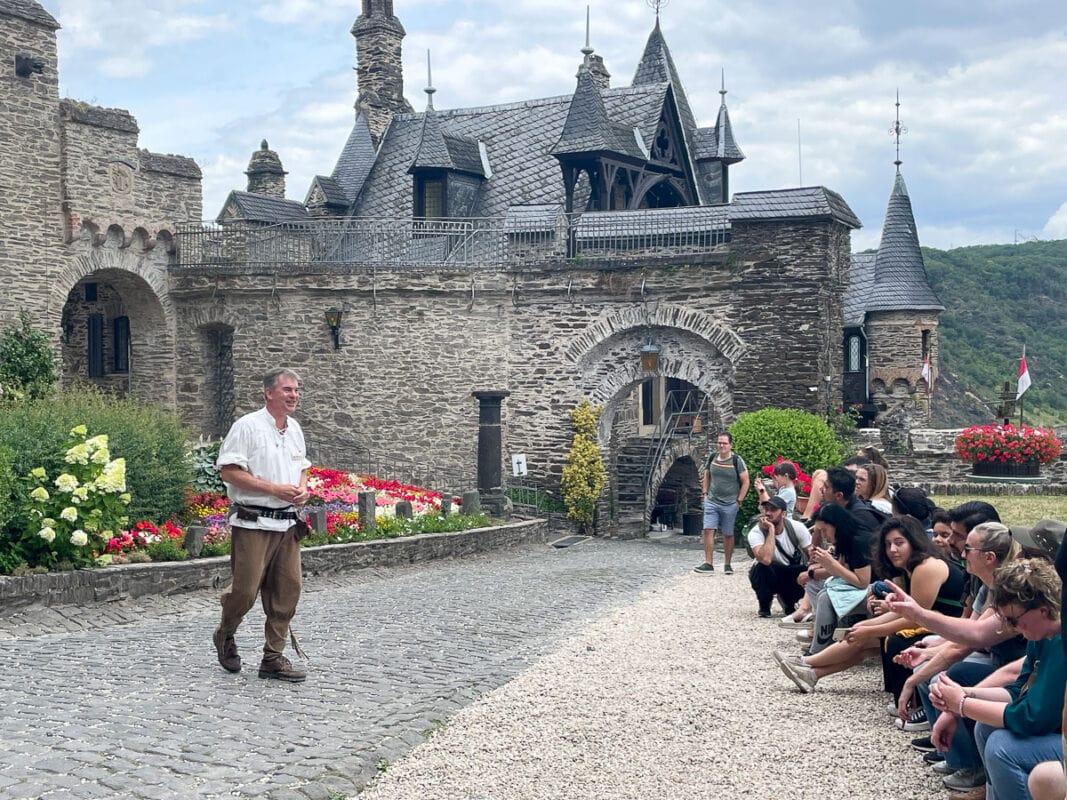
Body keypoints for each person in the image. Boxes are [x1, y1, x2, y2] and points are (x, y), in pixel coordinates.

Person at [886, 522, 1026, 790]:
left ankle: (970, 766)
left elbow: (971, 639)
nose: (960, 551)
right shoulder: (988, 585)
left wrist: (914, 677)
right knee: (932, 663)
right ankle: (954, 751)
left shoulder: (1014, 590)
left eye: (967, 546)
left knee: (949, 675)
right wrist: (929, 648)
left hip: (1009, 669)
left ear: (989, 557)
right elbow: (968, 633)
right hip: (1002, 664)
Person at [776, 516, 964, 695]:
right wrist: (868, 626)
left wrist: (872, 630)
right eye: (888, 544)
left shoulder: (926, 567)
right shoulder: (911, 567)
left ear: (914, 542)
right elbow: (907, 613)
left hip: (946, 628)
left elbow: (915, 618)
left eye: (899, 543)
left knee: (866, 639)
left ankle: (806, 663)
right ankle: (812, 673)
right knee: (864, 639)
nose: (892, 550)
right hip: (935, 623)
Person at [929, 558, 1065, 800]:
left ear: (1043, 609)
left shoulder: (1059, 642)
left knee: (1004, 748)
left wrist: (962, 704)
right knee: (985, 727)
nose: (1010, 627)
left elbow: (1033, 718)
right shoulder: (1041, 635)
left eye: (1013, 619)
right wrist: (966, 695)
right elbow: (1018, 690)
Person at [213, 368, 312, 682]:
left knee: (288, 590)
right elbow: (229, 472)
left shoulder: (294, 428)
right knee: (244, 592)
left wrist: (302, 488)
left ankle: (273, 658)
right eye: (287, 390)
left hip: (287, 524)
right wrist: (274, 490)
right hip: (253, 522)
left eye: (296, 390)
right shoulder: (248, 426)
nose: (293, 395)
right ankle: (225, 634)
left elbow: (304, 467)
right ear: (269, 393)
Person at [747, 496, 812, 618]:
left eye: (773, 510)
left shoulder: (796, 527)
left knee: (805, 570)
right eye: (766, 509)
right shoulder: (756, 532)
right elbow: (765, 560)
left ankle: (789, 602)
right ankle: (764, 605)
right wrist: (771, 530)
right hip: (769, 572)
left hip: (789, 571)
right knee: (761, 568)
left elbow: (811, 553)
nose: (768, 513)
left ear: (783, 514)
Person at [694, 431, 748, 575]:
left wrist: (739, 501)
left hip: (730, 503)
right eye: (719, 442)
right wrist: (705, 494)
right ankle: (708, 563)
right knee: (708, 530)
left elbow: (745, 481)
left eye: (724, 443)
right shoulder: (712, 458)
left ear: (730, 445)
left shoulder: (737, 461)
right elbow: (707, 475)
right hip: (712, 501)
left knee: (728, 534)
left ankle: (727, 564)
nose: (721, 445)